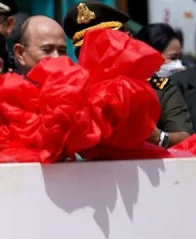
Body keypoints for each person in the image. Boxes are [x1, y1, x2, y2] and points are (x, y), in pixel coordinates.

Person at [63, 2, 192, 148]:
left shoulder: (158, 88)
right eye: (90, 49)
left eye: (107, 46)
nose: (101, 55)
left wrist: (158, 137)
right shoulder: (72, 93)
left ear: (127, 40)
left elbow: (184, 137)